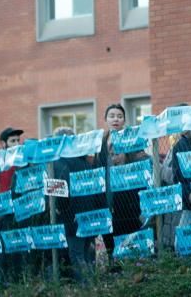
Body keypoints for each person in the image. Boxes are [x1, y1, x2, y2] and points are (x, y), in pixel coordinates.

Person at [97, 104, 149, 255]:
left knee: (130, 241)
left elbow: (141, 166)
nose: (115, 119)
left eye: (119, 116)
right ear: (106, 119)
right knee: (110, 243)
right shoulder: (100, 143)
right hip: (108, 198)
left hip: (128, 197)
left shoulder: (132, 139)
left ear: (124, 120)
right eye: (112, 116)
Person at [51, 127, 96, 280]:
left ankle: (85, 288)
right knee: (86, 253)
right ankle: (93, 284)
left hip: (71, 216)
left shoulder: (59, 163)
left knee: (76, 256)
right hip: (88, 213)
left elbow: (61, 192)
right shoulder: (85, 161)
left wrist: (59, 209)